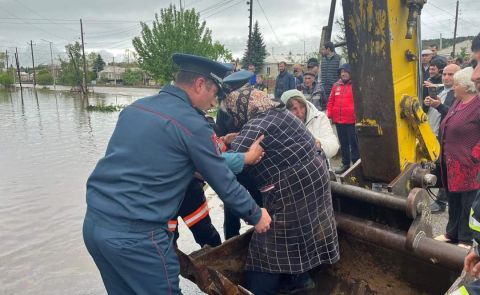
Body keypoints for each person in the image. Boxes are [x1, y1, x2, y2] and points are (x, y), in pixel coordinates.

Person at [82, 53, 271, 295]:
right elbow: (222, 179)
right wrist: (257, 214)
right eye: (215, 93)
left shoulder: (136, 108)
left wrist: (223, 144)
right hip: (138, 237)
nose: (214, 103)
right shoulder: (192, 124)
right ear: (200, 84)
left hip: (95, 227)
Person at [221, 86, 340, 295]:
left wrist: (223, 143)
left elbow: (219, 165)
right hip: (315, 184)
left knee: (268, 249)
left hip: (291, 192)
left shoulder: (257, 124)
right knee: (303, 234)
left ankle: (261, 289)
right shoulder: (279, 113)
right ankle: (302, 281)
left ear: (242, 109)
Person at [434, 67, 480, 248]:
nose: (453, 88)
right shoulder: (457, 102)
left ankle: (465, 239)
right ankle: (451, 233)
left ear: (467, 86)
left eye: (456, 84)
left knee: (467, 202)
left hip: (468, 164)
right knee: (453, 199)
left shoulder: (477, 105)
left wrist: (474, 156)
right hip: (451, 162)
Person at [424, 64, 461, 214]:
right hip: (431, 134)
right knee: (436, 166)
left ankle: (441, 202)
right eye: (445, 74)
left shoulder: (458, 94)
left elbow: (454, 117)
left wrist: (439, 106)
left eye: (451, 74)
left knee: (445, 168)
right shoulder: (440, 90)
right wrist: (427, 104)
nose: (446, 77)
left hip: (444, 138)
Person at [280, 89, 339, 159]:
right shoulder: (280, 125)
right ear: (285, 111)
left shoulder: (319, 118)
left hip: (320, 166)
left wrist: (319, 144)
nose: (300, 113)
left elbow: (334, 145)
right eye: (294, 109)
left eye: (302, 107)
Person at [327, 63, 359, 174]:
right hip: (339, 121)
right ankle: (345, 164)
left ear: (351, 73)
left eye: (345, 71)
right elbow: (331, 101)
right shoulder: (336, 85)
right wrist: (329, 114)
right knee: (343, 143)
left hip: (351, 121)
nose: (343, 74)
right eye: (341, 72)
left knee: (354, 144)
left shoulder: (356, 85)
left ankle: (356, 165)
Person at [321, 41, 346, 110]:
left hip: (335, 90)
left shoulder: (340, 59)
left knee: (335, 109)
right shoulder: (322, 60)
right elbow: (320, 76)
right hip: (323, 91)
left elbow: (343, 75)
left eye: (323, 49)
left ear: (328, 49)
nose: (321, 51)